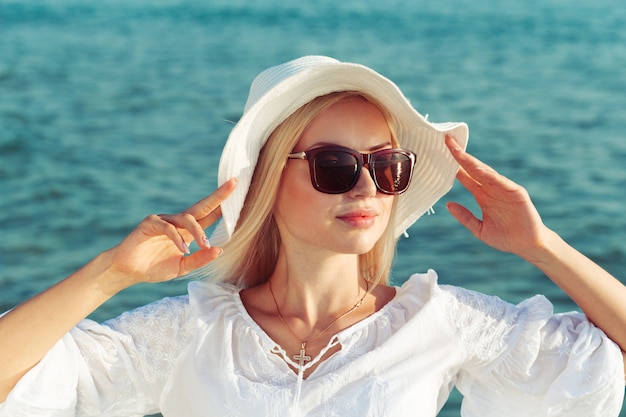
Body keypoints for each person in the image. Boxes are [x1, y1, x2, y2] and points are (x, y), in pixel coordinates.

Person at [0, 55, 624, 417]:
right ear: (269, 181)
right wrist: (113, 273)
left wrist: (542, 247)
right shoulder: (189, 333)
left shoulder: (439, 322)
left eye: (386, 166)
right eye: (334, 166)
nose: (366, 190)